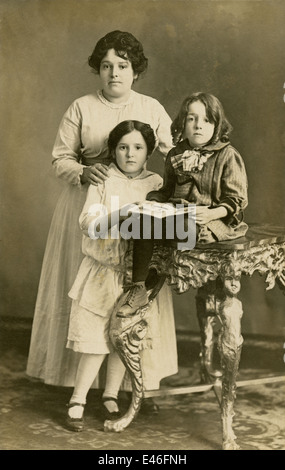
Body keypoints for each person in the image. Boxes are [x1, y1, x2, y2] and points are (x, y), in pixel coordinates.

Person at [26, 31, 177, 416]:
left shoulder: (151, 107)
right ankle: (75, 388)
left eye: (122, 66)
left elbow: (177, 155)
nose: (114, 74)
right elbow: (60, 158)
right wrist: (82, 170)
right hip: (91, 204)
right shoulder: (81, 107)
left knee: (132, 297)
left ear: (135, 71)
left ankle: (127, 388)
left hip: (139, 205)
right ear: (99, 69)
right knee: (89, 301)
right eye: (107, 66)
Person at [66, 119, 175, 431]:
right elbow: (87, 222)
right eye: (123, 148)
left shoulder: (155, 183)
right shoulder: (103, 180)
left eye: (138, 148)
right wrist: (119, 216)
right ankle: (78, 399)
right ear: (113, 151)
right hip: (102, 271)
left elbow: (164, 223)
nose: (130, 154)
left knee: (123, 335)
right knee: (94, 340)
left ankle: (110, 394)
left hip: (134, 277)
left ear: (148, 152)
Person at [117, 92, 248, 317]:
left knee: (184, 228)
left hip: (211, 219)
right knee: (139, 221)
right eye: (191, 119)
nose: (198, 126)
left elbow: (235, 201)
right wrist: (150, 203)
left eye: (207, 120)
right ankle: (138, 287)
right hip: (177, 214)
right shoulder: (176, 154)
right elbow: (167, 191)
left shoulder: (227, 155)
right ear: (182, 123)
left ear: (217, 125)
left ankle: (153, 266)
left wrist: (211, 214)